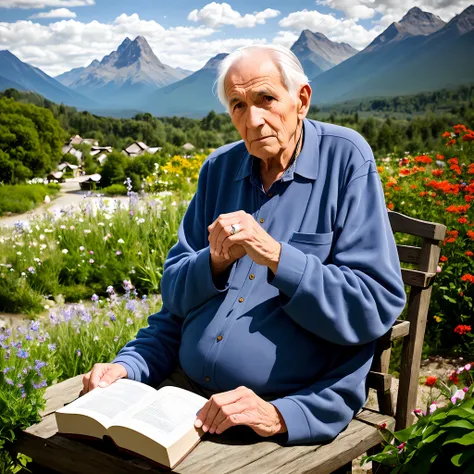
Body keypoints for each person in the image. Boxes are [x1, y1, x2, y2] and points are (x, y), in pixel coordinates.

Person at [82, 45, 406, 445]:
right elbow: (176, 300)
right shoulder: (219, 169)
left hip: (274, 413)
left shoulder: (346, 159)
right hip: (183, 399)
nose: (253, 120)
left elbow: (373, 304)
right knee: (68, 445)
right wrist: (130, 364)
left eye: (266, 99)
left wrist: (276, 256)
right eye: (238, 105)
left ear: (301, 99)